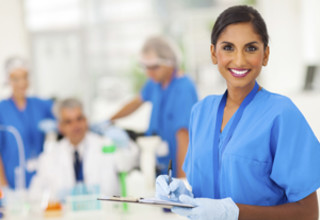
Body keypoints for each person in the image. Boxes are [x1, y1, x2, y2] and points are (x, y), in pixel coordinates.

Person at [156, 5, 320, 220]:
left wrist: (234, 212)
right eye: (228, 48)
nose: (240, 60)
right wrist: (183, 195)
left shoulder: (281, 114)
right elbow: (205, 190)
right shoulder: (201, 112)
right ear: (214, 53)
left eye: (251, 48)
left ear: (266, 54)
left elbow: (308, 213)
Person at [110, 36, 198, 178]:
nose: (149, 72)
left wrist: (182, 182)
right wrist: (110, 120)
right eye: (146, 67)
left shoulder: (183, 89)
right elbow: (135, 103)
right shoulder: (155, 83)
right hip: (158, 160)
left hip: (178, 165)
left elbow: (184, 138)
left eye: (154, 67)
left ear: (170, 62)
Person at [30, 98, 138, 198]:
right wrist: (54, 200)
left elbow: (128, 162)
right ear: (60, 127)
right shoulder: (49, 157)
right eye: (68, 122)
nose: (76, 125)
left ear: (86, 120)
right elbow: (35, 194)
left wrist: (126, 145)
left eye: (79, 119)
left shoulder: (106, 145)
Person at [0, 57, 55, 189]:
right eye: (16, 79)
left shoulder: (40, 104)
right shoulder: (2, 109)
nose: (22, 83)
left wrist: (55, 126)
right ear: (8, 80)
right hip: (12, 180)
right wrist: (3, 186)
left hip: (41, 177)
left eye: (25, 77)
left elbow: (64, 118)